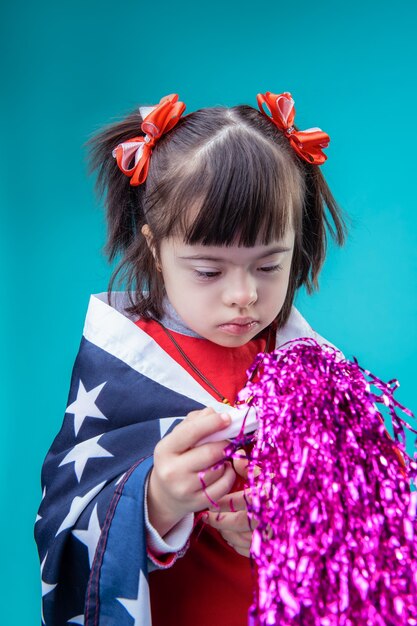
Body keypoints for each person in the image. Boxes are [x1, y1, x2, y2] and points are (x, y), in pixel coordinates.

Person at [35, 91, 346, 625]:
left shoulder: (310, 365)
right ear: (155, 247)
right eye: (209, 270)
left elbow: (376, 514)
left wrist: (296, 517)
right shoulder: (125, 367)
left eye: (269, 265)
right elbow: (65, 526)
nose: (243, 295)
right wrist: (156, 500)